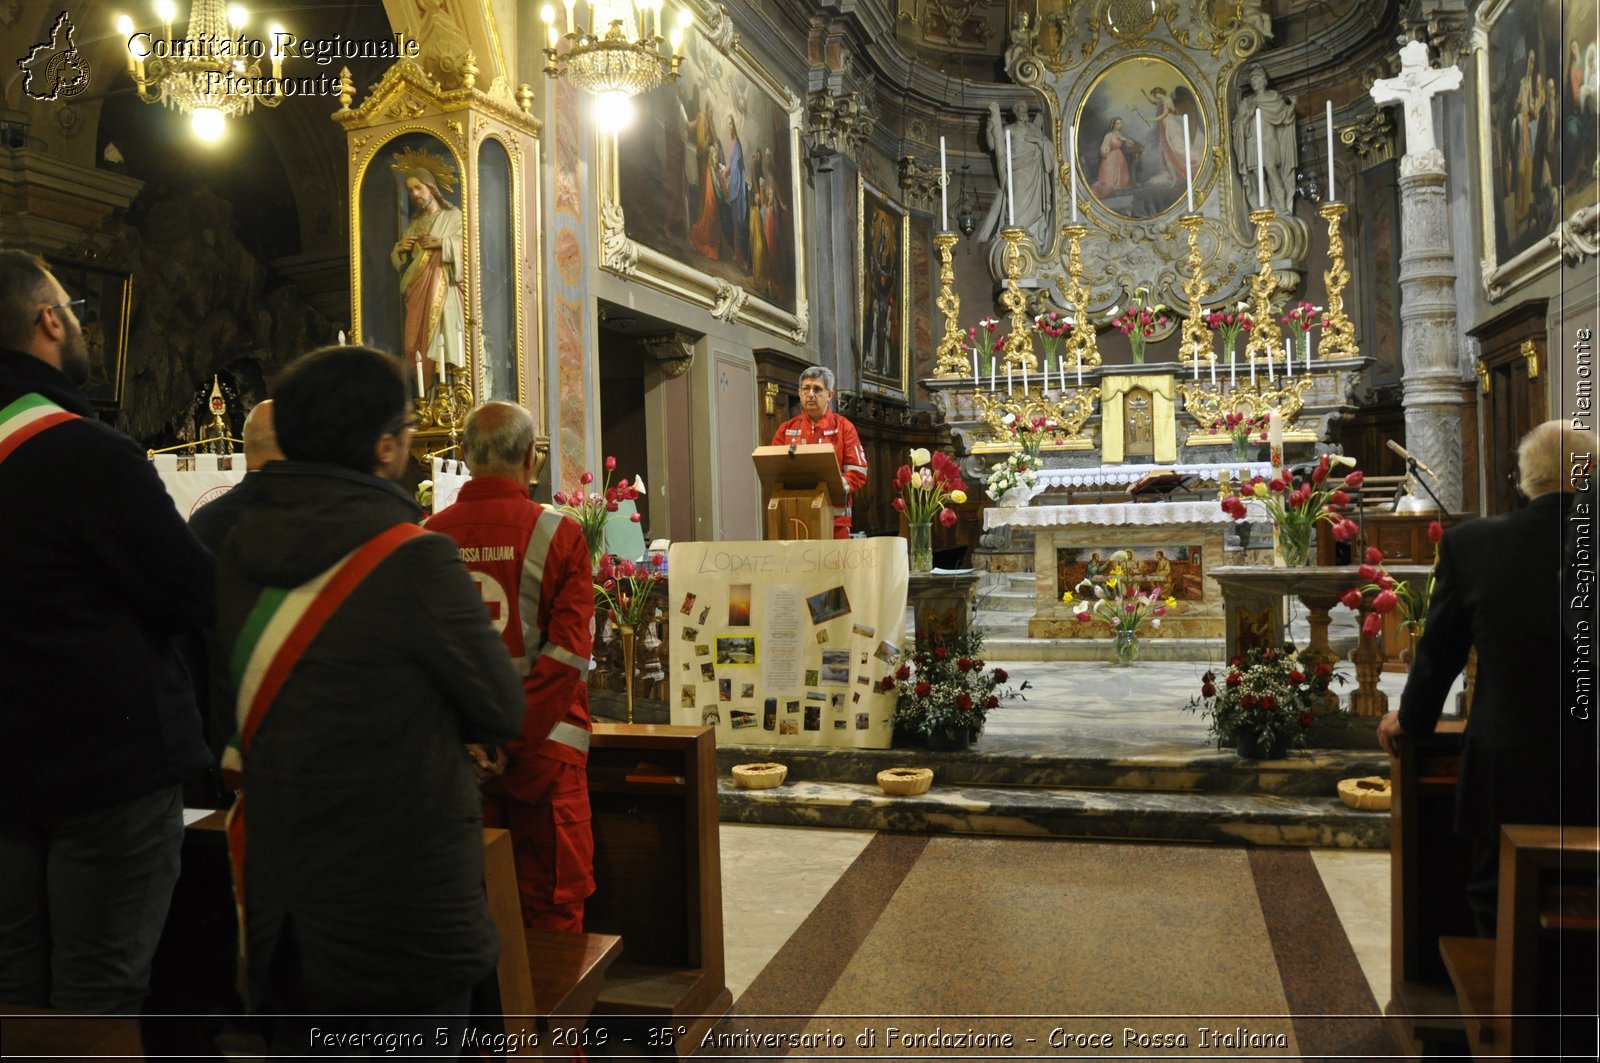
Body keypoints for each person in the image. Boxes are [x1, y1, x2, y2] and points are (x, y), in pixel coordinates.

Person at [213, 345, 524, 1042]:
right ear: (385, 447)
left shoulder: (237, 549)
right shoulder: (413, 557)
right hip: (402, 914)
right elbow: (501, 705)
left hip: (287, 910)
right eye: (409, 433)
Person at [0, 248, 214, 1013]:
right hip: (106, 775)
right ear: (47, 320)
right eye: (76, 311)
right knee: (98, 998)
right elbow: (192, 593)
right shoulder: (88, 453)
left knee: (12, 998)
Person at [1378, 421, 1600, 936]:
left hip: (1510, 757)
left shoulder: (1473, 546)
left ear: (1524, 478)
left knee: (1499, 891)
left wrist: (1411, 720)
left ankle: (1504, 1007)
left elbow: (1440, 653)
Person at [426, 401, 597, 932]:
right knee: (550, 910)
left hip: (456, 763)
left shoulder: (426, 536)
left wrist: (474, 743)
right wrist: (508, 742)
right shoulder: (559, 535)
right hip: (545, 759)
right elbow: (568, 657)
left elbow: (419, 657)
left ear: (463, 456)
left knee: (465, 912)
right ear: (531, 458)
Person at [770, 366, 867, 539]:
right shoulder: (786, 430)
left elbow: (858, 473)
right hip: (794, 516)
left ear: (830, 395)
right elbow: (772, 473)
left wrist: (834, 485)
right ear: (799, 393)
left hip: (835, 519)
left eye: (817, 389)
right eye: (806, 389)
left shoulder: (844, 428)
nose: (811, 394)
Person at [391, 167, 465, 381]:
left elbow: (469, 250)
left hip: (444, 289)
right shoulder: (414, 225)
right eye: (410, 190)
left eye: (418, 188)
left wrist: (442, 244)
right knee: (415, 343)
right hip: (418, 291)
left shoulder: (452, 217)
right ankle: (428, 390)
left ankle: (448, 387)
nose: (414, 194)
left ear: (431, 188)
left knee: (444, 339)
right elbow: (404, 262)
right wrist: (400, 250)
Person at [978, 101, 1055, 254]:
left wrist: (1038, 141)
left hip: (1034, 171)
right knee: (1015, 199)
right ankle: (1014, 235)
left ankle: (1029, 234)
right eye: (1019, 108)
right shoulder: (1010, 129)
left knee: (1034, 205)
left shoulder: (1034, 129)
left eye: (1025, 108)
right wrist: (989, 129)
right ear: (1015, 112)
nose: (1023, 111)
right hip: (1016, 170)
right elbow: (994, 145)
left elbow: (1048, 146)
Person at [1233, 67, 1297, 214]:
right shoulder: (1247, 102)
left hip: (1268, 140)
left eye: (1256, 79)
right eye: (1252, 80)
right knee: (1258, 175)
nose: (1254, 82)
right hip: (1253, 143)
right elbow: (1238, 126)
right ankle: (1265, 208)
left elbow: (1285, 117)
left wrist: (1293, 105)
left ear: (1263, 80)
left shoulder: (1274, 97)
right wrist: (1248, 115)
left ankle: (1282, 206)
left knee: (1272, 171)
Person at [1091, 117, 1135, 198]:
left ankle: (1118, 192)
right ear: (1113, 125)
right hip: (1110, 157)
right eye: (1118, 123)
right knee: (1110, 178)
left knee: (1121, 176)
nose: (1120, 125)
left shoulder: (1120, 135)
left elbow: (1127, 142)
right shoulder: (1109, 135)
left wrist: (1128, 142)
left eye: (1120, 123)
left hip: (1119, 156)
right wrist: (1106, 151)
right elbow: (1104, 147)